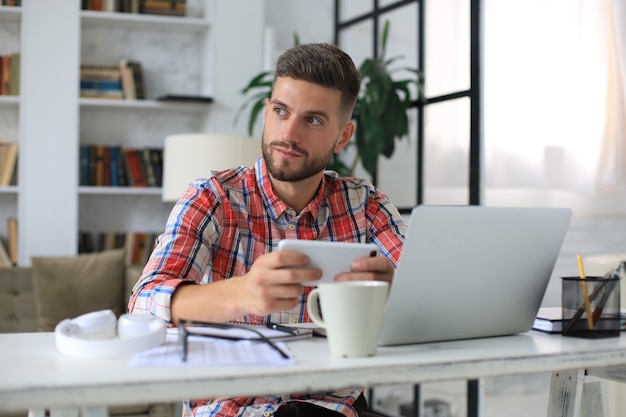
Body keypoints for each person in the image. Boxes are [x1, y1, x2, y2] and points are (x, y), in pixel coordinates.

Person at [128, 42, 407, 417]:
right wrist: (241, 293)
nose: (288, 134)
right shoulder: (213, 197)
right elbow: (144, 303)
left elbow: (430, 294)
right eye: (280, 111)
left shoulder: (366, 206)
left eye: (312, 120)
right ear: (266, 112)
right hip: (231, 409)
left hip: (329, 407)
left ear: (343, 137)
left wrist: (397, 290)